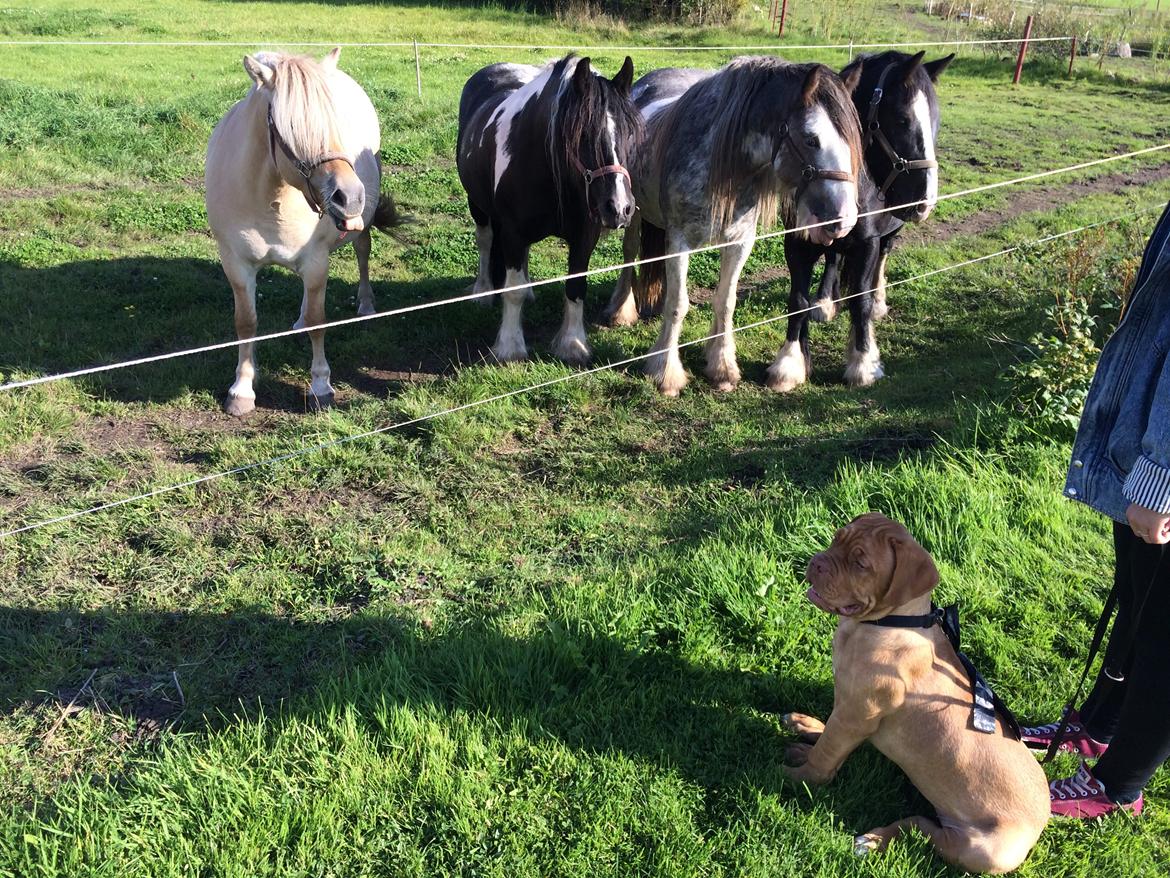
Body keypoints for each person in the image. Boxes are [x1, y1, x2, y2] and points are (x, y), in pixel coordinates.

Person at [1018, 200, 1170, 818]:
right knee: (1138, 598)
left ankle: (1118, 782)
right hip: (1148, 443)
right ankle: (1102, 725)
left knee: (1165, 630)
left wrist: (1160, 474)